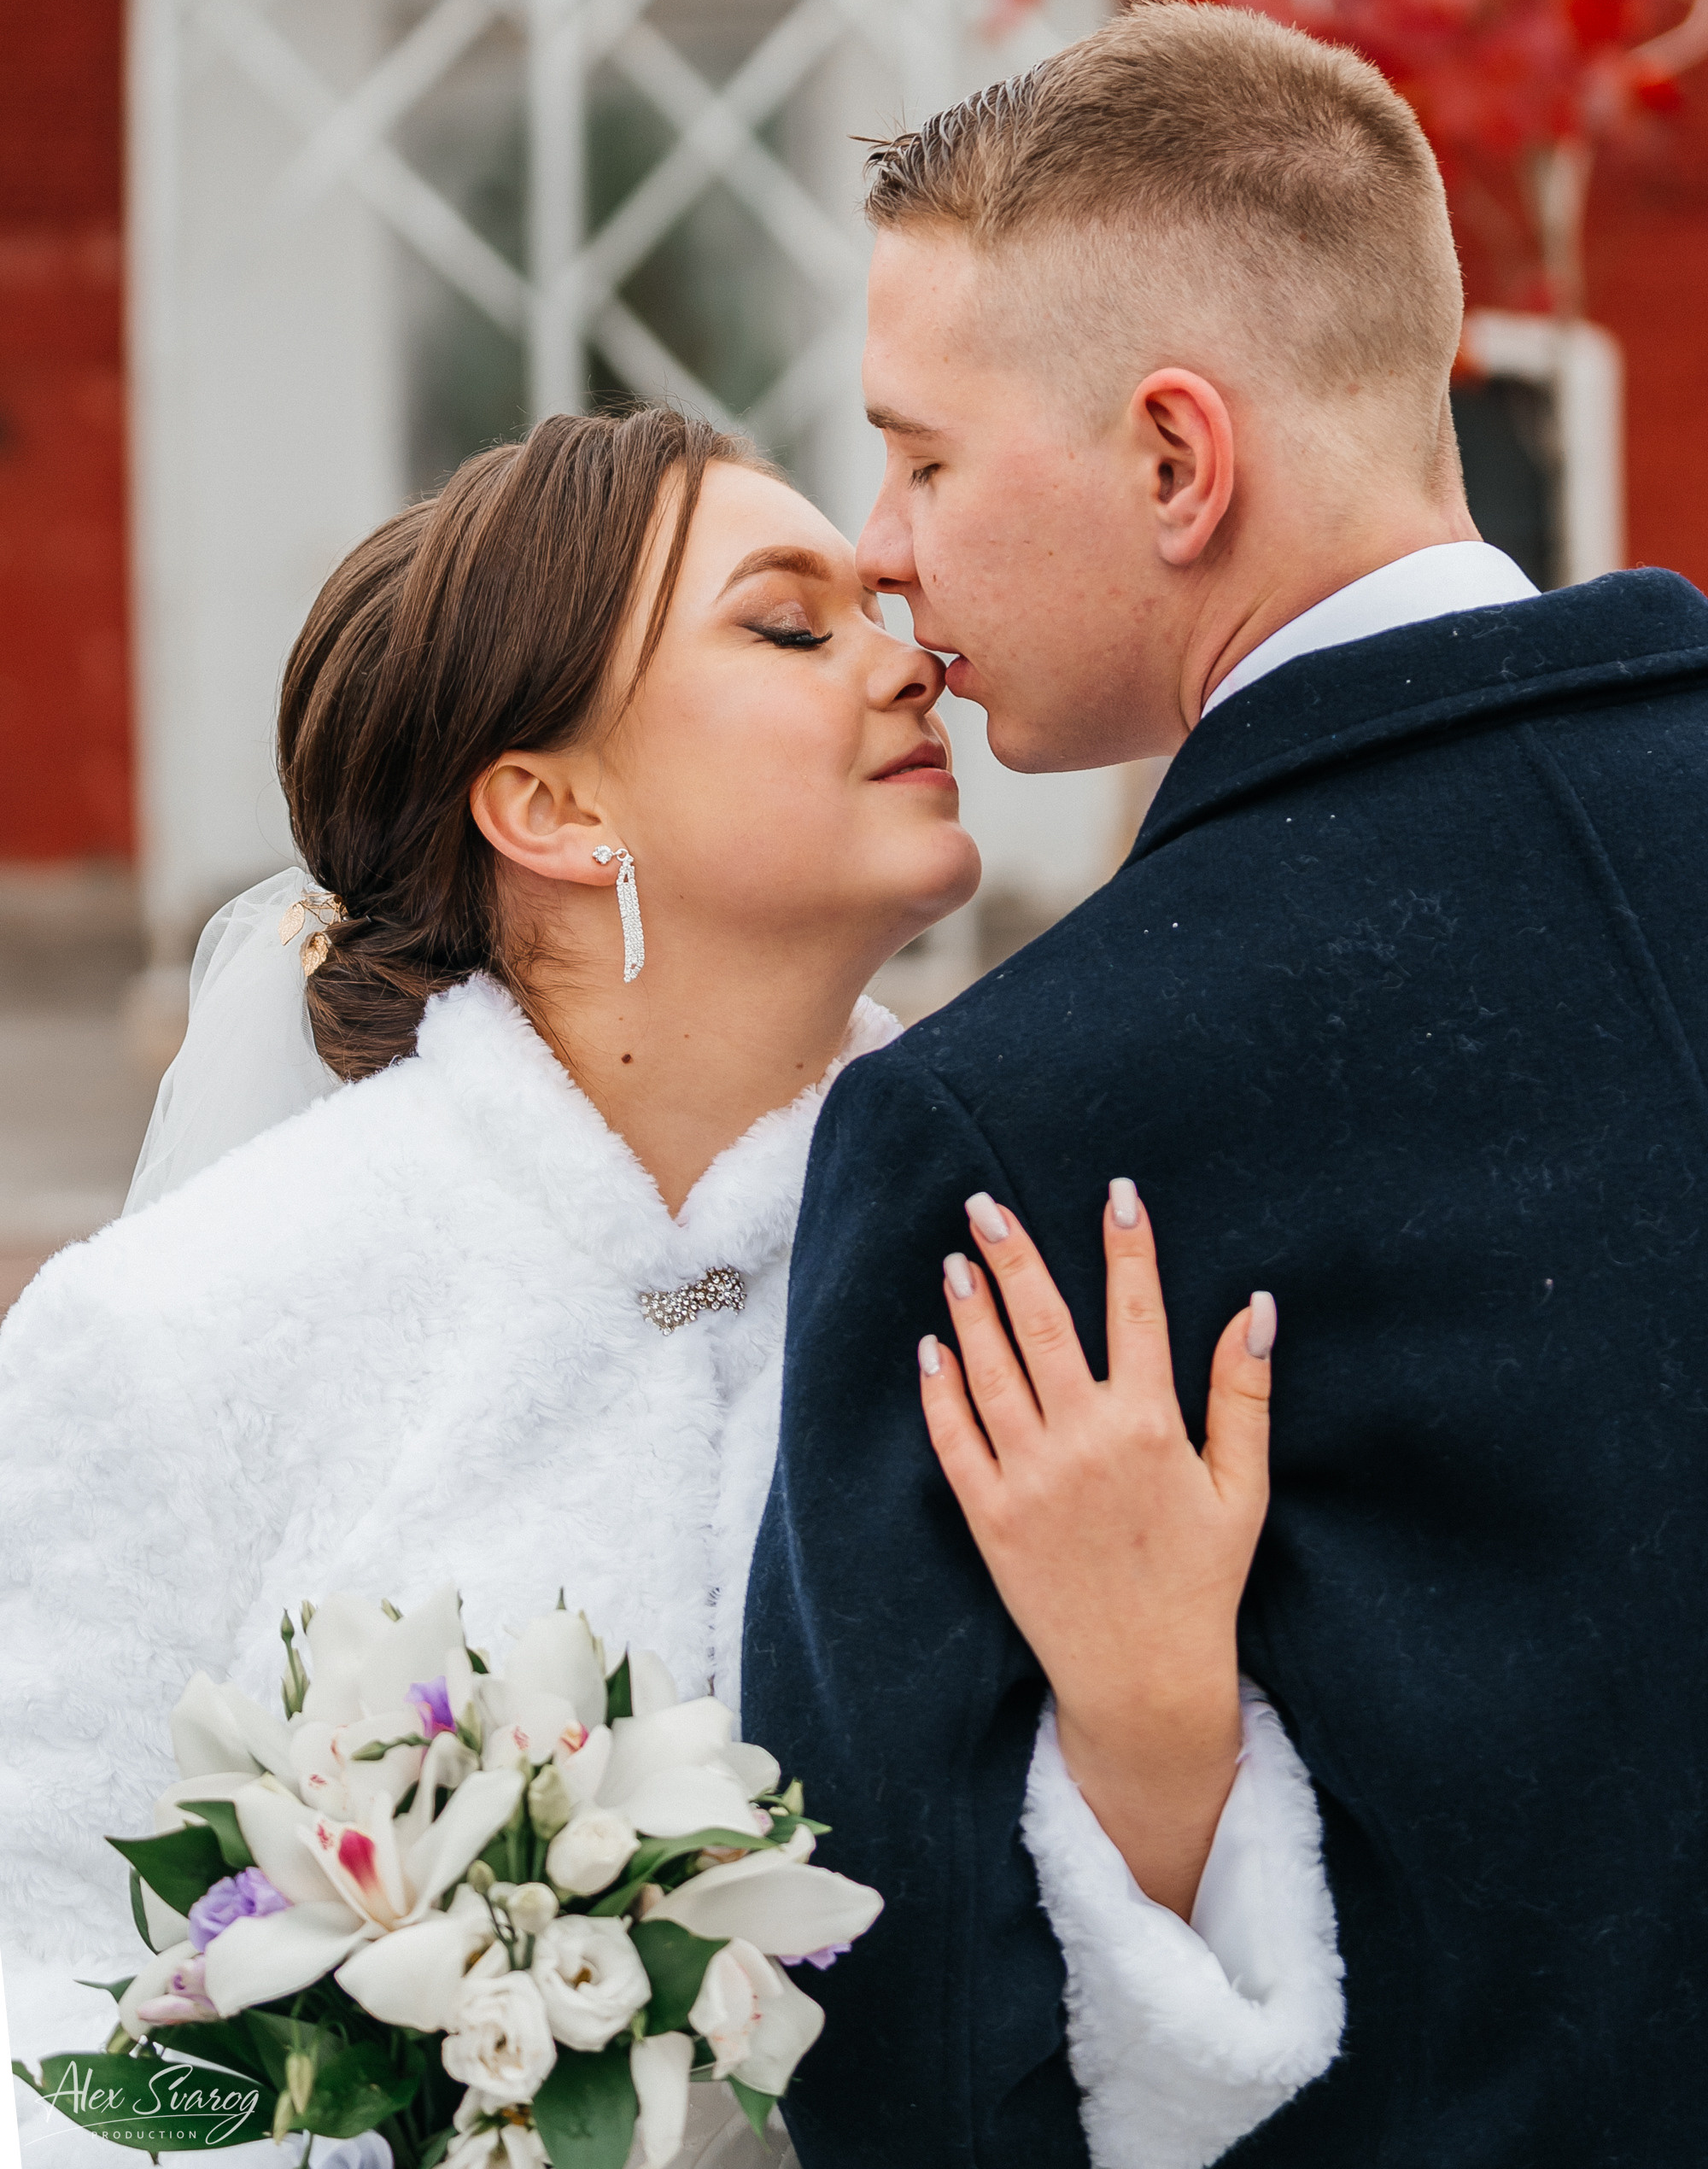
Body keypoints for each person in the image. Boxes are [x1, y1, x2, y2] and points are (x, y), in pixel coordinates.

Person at [0, 405, 1340, 2169]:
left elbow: (1206, 2068)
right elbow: (43, 2012)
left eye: (876, 615)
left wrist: (1157, 1723)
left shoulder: (1041, 1275)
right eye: (789, 626)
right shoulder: (171, 1333)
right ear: (552, 808)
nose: (910, 663)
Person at [744, 0, 1708, 2169]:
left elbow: (911, 2052)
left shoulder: (1012, 1137)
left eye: (923, 458)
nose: (881, 547)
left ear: (1177, 463)